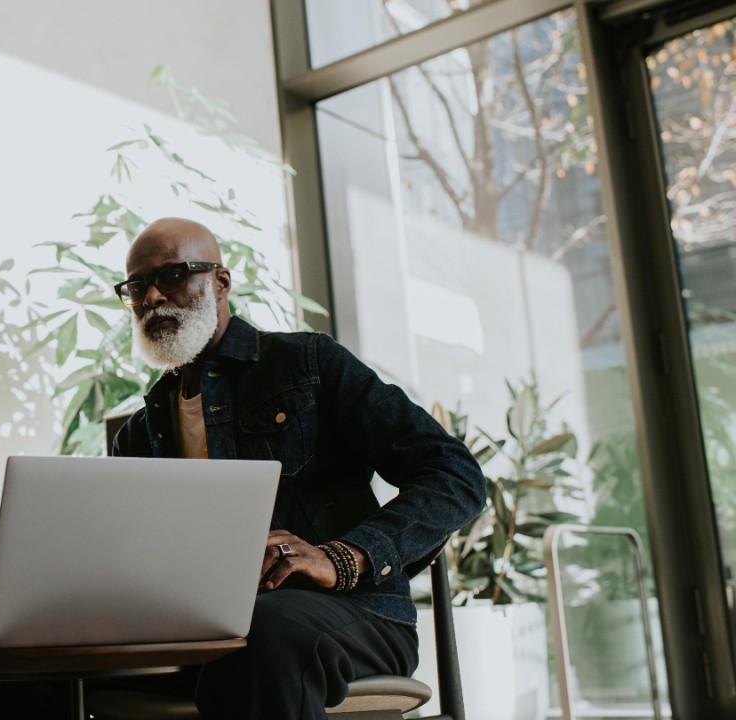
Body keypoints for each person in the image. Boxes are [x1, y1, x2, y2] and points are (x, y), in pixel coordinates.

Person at [107, 217, 486, 720]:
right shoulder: (138, 432)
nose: (152, 296)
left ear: (220, 282)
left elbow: (455, 475)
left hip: (354, 615)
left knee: (263, 634)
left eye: (173, 276)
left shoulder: (307, 364)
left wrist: (345, 557)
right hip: (206, 631)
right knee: (35, 670)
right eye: (137, 286)